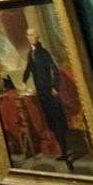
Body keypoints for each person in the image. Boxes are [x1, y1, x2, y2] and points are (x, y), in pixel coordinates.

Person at [24, 29, 72, 167]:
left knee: (57, 123)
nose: (31, 37)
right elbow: (29, 69)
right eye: (29, 35)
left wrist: (54, 88)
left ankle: (65, 153)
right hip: (42, 95)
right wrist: (23, 81)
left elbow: (55, 71)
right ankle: (63, 151)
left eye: (33, 35)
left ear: (37, 37)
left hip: (50, 94)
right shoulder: (31, 54)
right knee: (51, 122)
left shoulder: (43, 53)